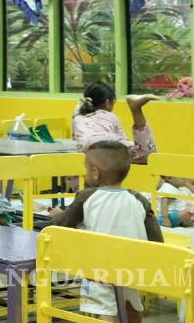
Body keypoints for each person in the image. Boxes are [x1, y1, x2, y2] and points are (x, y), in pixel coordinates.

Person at [52, 141, 164, 323]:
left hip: (99, 267)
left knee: (104, 309)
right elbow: (156, 239)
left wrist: (56, 214)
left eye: (86, 168)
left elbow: (64, 224)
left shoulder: (86, 196)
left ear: (95, 172)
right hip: (133, 267)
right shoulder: (139, 199)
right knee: (132, 305)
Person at [72, 83, 158, 163]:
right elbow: (122, 140)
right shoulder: (109, 116)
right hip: (105, 145)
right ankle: (136, 109)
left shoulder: (78, 116)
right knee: (146, 154)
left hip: (82, 152)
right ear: (107, 103)